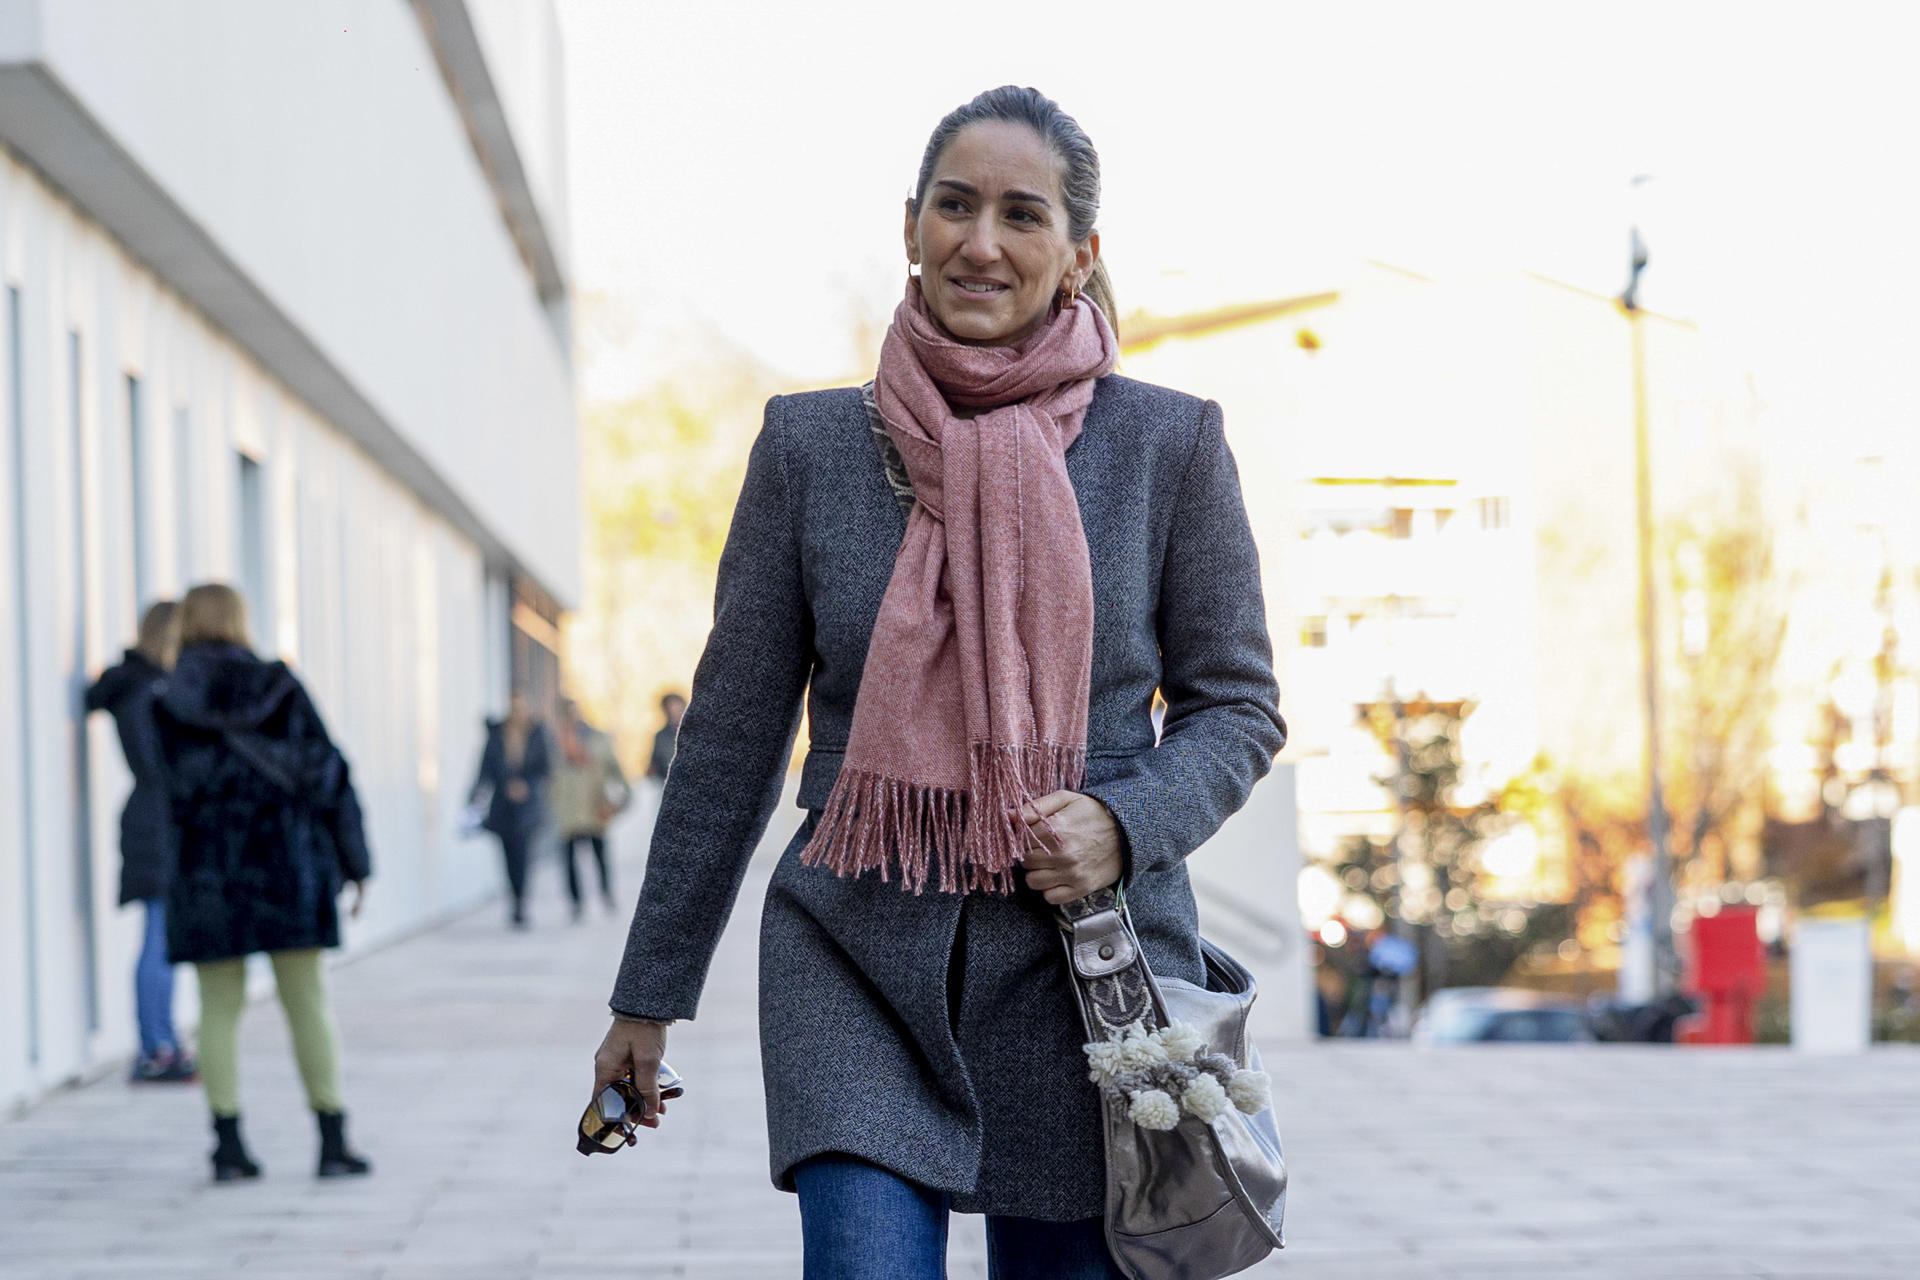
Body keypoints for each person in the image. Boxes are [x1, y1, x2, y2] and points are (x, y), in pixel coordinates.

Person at [591, 87, 1284, 1278]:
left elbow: (1238, 705)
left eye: (1023, 214)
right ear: (910, 224)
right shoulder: (809, 448)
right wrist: (649, 993)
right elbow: (732, 739)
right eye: (955, 206)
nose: (982, 240)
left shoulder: (1170, 445)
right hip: (853, 953)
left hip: (1084, 976)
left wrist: (1127, 819)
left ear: (1079, 252)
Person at [149, 583, 372, 1182]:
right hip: (286, 867)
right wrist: (357, 864)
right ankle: (332, 1141)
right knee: (307, 1005)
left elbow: (168, 791)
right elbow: (331, 775)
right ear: (241, 620)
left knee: (217, 1010)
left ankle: (228, 1147)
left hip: (207, 874)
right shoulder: (280, 686)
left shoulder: (167, 699)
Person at [86, 600, 196, 1083]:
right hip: (159, 820)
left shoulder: (137, 686)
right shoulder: (151, 692)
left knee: (161, 934)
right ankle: (156, 1047)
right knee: (159, 935)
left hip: (152, 815)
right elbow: (164, 764)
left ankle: (162, 1040)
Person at [470, 690, 551, 928]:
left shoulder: (537, 734)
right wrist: (474, 800)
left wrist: (526, 785)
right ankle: (514, 900)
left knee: (524, 856)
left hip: (528, 808)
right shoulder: (496, 735)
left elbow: (545, 768)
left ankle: (521, 903)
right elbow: (484, 770)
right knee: (508, 856)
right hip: (503, 807)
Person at [550, 696, 631, 920]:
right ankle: (576, 902)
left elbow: (617, 771)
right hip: (568, 810)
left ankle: (607, 894)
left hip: (594, 807)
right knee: (569, 860)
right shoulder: (554, 743)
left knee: (600, 855)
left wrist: (623, 800)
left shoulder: (598, 739)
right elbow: (547, 777)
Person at [646, 692, 685, 782]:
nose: (676, 712)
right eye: (672, 708)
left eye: (678, 707)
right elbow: (655, 762)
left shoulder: (695, 732)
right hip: (665, 781)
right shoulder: (660, 737)